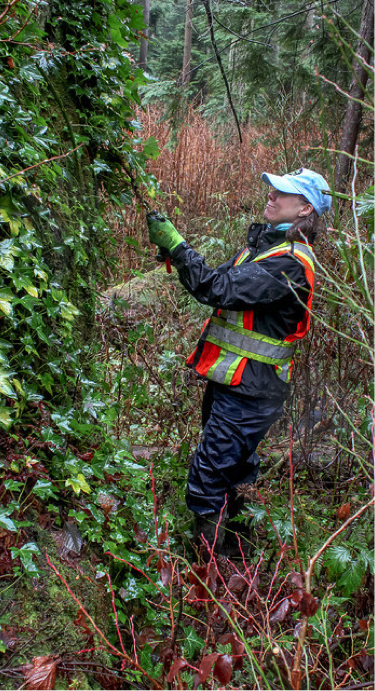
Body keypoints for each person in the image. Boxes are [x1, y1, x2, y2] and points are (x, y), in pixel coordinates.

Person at [147, 168, 331, 557]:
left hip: (251, 392)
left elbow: (218, 289)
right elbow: (217, 284)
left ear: (303, 210)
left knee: (208, 476)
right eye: (273, 188)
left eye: (283, 192)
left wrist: (180, 248)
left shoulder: (291, 263)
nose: (272, 194)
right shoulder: (262, 249)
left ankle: (210, 573)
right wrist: (178, 256)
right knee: (234, 470)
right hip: (234, 382)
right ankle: (236, 554)